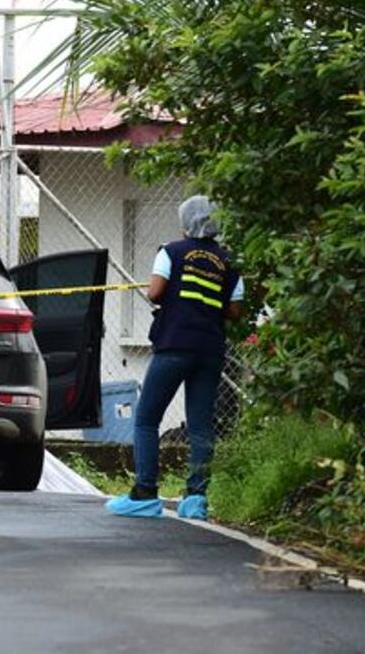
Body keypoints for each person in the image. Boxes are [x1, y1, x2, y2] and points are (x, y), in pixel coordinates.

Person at [107, 195, 244, 521]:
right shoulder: (229, 262)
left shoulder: (170, 252)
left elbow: (155, 292)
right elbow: (236, 311)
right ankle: (196, 499)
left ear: (185, 223)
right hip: (209, 349)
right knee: (200, 424)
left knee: (147, 418)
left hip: (174, 343)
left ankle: (144, 493)